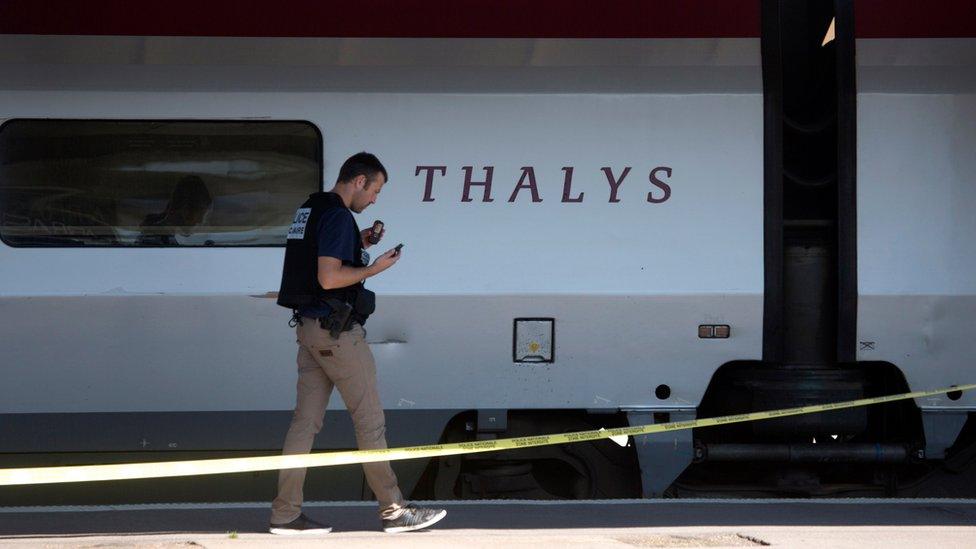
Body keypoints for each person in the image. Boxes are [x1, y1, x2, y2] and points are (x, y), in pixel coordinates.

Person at [270, 152, 446, 534]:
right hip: (337, 334)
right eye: (376, 189)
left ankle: (285, 514)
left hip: (309, 330)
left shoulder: (312, 207)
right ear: (360, 181)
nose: (375, 200)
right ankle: (394, 510)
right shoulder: (337, 215)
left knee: (304, 424)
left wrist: (359, 242)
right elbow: (330, 278)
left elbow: (317, 260)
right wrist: (375, 267)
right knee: (370, 422)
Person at [137, 175, 212, 245]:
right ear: (185, 209)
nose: (200, 220)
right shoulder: (153, 241)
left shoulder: (160, 238)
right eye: (200, 213)